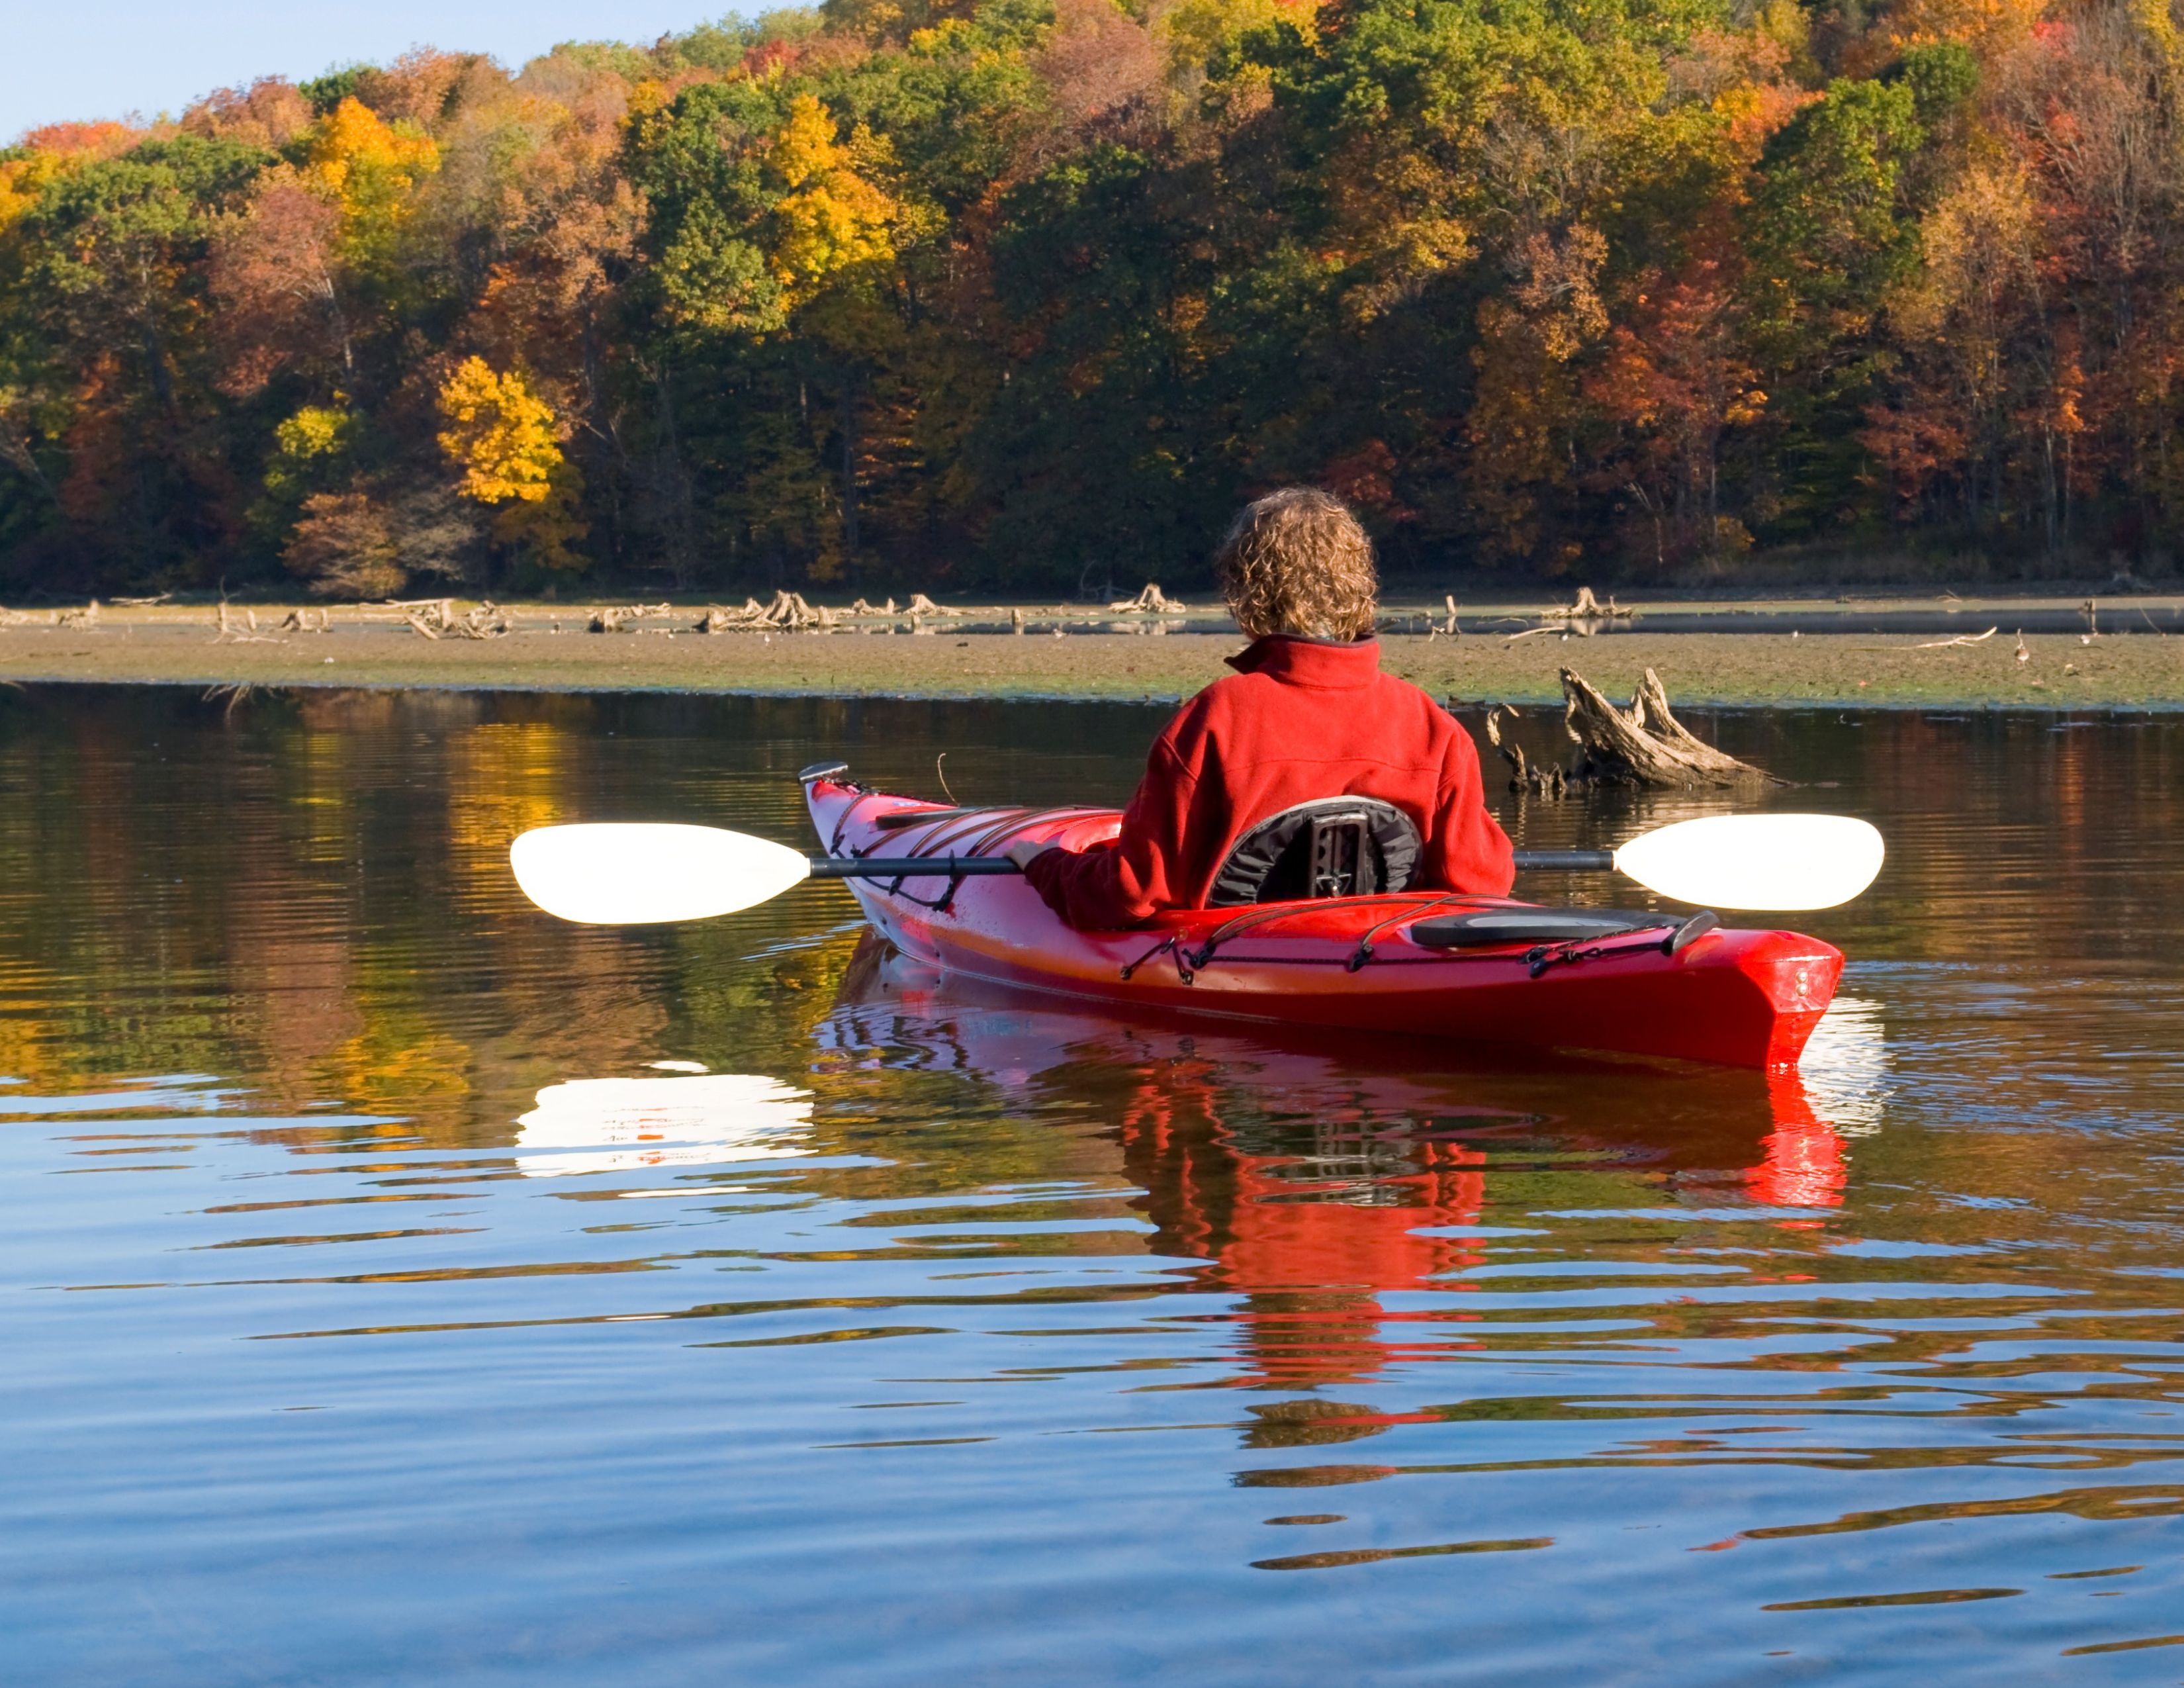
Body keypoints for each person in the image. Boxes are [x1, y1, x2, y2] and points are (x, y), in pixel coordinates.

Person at [1005, 487, 1515, 929]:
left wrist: (1046, 867)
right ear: (1360, 587)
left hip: (1244, 959)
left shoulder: (1218, 716)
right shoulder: (1432, 726)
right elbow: (1483, 885)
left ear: (1247, 593)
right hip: (1379, 956)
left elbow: (1131, 894)